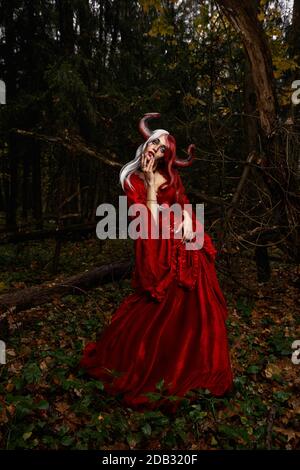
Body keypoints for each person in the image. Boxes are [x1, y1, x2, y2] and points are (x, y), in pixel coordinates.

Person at [80, 113, 233, 409]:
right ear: (145, 143)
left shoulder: (173, 176)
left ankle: (197, 368)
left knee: (199, 299)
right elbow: (144, 219)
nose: (157, 150)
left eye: (164, 148)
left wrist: (189, 223)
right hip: (156, 243)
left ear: (168, 154)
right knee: (159, 302)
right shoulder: (131, 179)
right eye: (155, 142)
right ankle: (152, 363)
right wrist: (150, 184)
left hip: (183, 241)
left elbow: (185, 205)